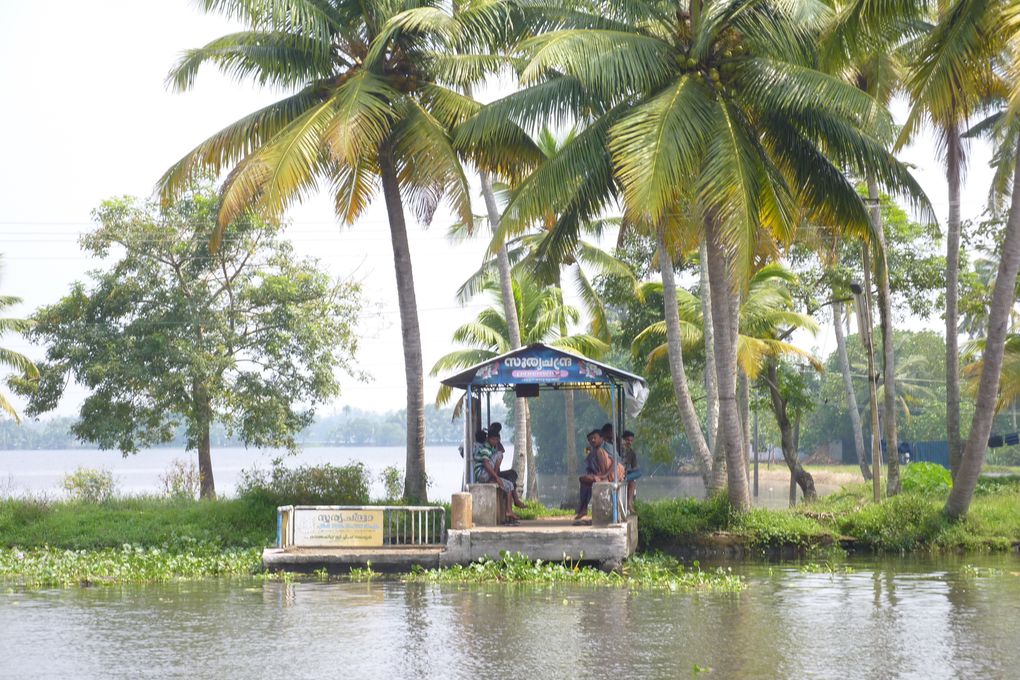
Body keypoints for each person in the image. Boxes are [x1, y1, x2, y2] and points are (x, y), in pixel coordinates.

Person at [573, 429, 625, 523]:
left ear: (601, 438)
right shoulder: (592, 451)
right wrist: (592, 475)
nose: (592, 440)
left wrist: (604, 475)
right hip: (601, 474)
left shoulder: (606, 447)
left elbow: (615, 462)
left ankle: (603, 479)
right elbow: (589, 467)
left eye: (594, 438)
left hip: (614, 473)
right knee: (583, 480)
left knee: (599, 452)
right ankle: (583, 509)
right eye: (590, 439)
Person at [473, 429, 525, 523]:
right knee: (499, 454)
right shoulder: (485, 448)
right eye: (495, 440)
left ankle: (509, 511)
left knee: (509, 485)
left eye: (497, 440)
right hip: (482, 474)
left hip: (487, 475)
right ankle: (494, 478)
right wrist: (496, 478)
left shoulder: (491, 447)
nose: (496, 442)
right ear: (489, 439)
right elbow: (486, 463)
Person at [620, 430, 642, 511]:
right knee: (632, 481)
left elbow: (635, 467)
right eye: (627, 440)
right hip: (617, 472)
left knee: (636, 476)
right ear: (623, 440)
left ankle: (629, 503)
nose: (629, 442)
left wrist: (629, 470)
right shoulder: (619, 449)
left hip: (626, 472)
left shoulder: (632, 452)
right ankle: (624, 478)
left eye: (631, 441)